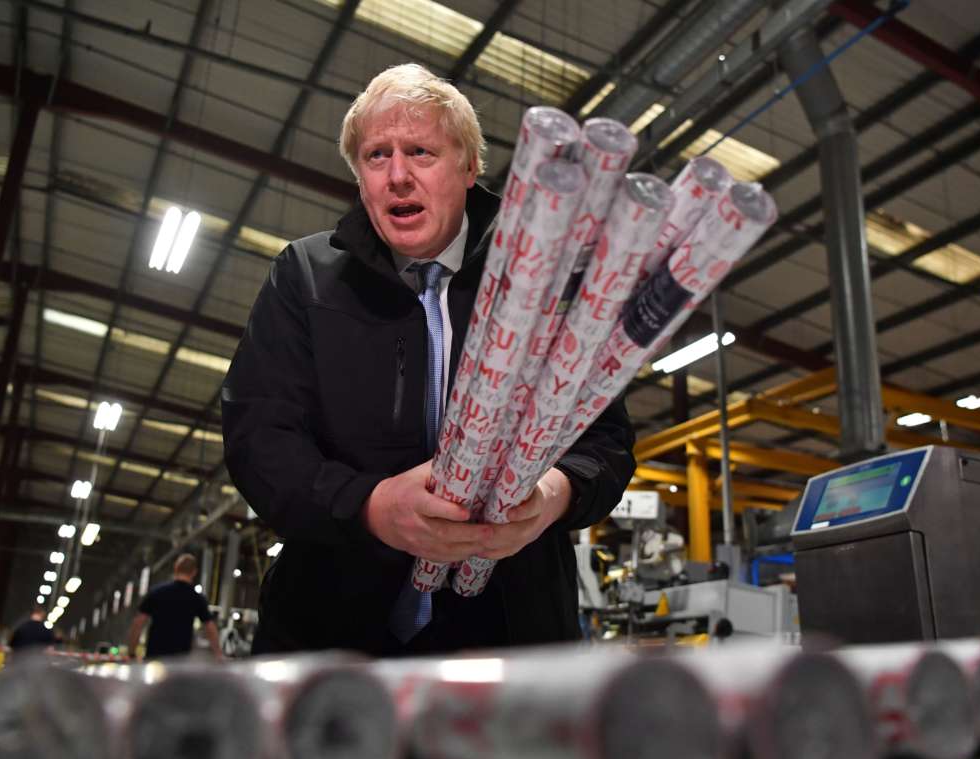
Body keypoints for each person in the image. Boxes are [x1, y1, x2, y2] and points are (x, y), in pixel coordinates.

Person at [222, 63, 635, 656]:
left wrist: (552, 494)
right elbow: (259, 437)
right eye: (376, 156)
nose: (397, 176)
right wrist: (370, 506)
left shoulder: (542, 279)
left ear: (469, 168)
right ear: (359, 178)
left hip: (512, 639)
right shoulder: (304, 277)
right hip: (332, 638)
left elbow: (606, 439)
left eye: (421, 152)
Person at [126, 554, 222, 660]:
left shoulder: (157, 592)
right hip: (180, 660)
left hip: (155, 656)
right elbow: (210, 627)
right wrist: (218, 654)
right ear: (194, 572)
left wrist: (131, 652)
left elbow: (138, 622)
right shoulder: (197, 598)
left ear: (175, 568)